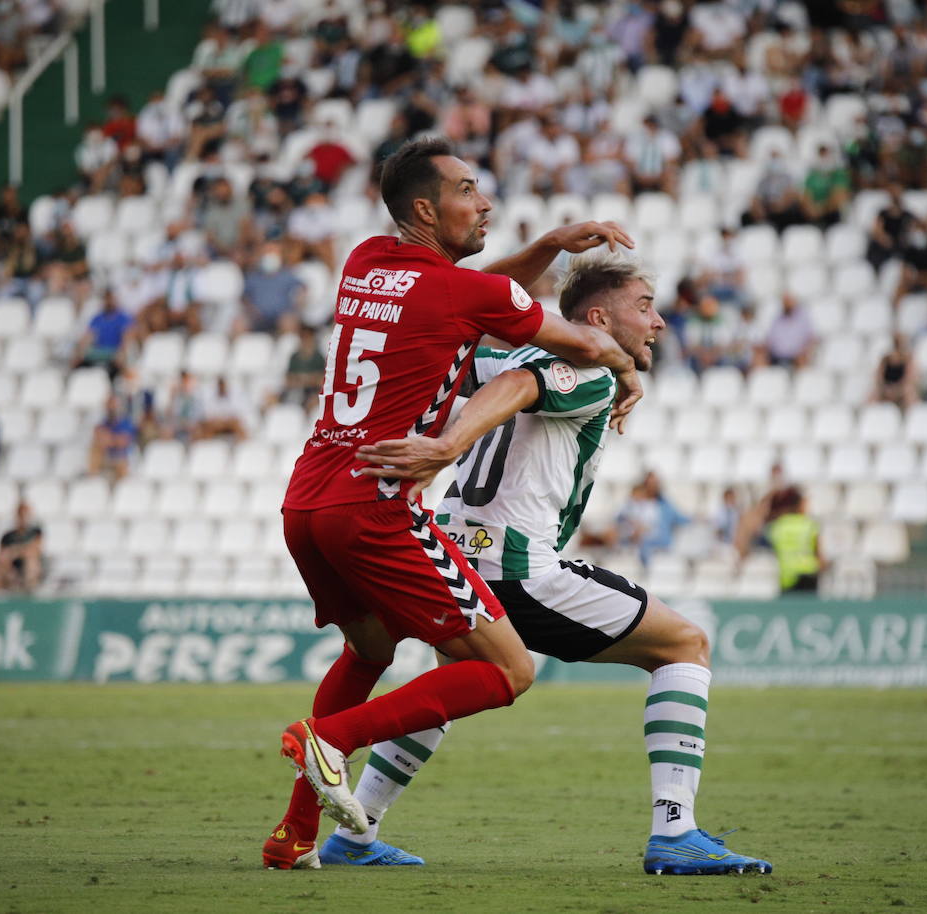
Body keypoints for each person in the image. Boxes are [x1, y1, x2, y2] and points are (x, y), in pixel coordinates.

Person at [262, 137, 643, 870]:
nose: (485, 200)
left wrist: (544, 246)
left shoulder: (366, 262)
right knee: (508, 672)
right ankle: (330, 741)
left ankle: (295, 835)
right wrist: (628, 365)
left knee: (370, 648)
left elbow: (471, 289)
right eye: (469, 189)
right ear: (428, 208)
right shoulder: (469, 294)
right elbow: (585, 347)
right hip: (378, 506)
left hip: (307, 504)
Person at [339, 252, 770, 875]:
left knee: (452, 683)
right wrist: (445, 445)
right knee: (685, 645)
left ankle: (357, 829)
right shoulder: (587, 373)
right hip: (518, 568)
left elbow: (474, 346)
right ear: (597, 317)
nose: (658, 323)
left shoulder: (504, 355)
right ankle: (675, 829)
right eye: (644, 307)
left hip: (454, 551)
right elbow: (528, 385)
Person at [764, 486, 823, 593]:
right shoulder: (810, 525)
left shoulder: (777, 526)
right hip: (809, 574)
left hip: (787, 575)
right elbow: (819, 554)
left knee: (788, 608)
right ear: (799, 505)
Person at [0, 502, 44, 592]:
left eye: (25, 514)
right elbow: (2, 554)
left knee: (31, 562)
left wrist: (15, 551)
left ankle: (29, 591)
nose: (23, 517)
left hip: (30, 566)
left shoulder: (35, 532)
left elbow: (35, 549)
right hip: (11, 567)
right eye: (21, 514)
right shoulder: (8, 536)